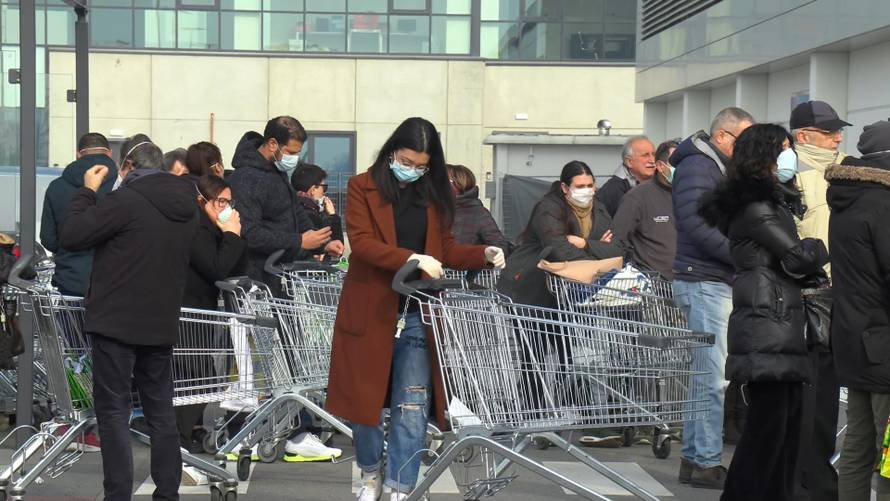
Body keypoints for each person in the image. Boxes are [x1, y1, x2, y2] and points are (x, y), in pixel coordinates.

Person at [325, 117, 505, 501]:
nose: (413, 170)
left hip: (417, 312)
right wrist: (412, 257)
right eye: (407, 161)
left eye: (422, 165)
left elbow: (446, 249)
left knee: (412, 404)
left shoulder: (435, 193)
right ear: (392, 152)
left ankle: (400, 488)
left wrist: (483, 254)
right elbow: (363, 243)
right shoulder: (362, 186)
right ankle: (371, 473)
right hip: (372, 309)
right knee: (366, 408)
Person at [59, 139, 197, 501]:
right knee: (160, 411)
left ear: (127, 167)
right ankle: (167, 492)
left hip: (116, 322)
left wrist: (88, 191)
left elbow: (72, 234)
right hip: (160, 321)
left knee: (114, 412)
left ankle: (117, 494)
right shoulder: (186, 205)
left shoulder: (125, 201)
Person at [699, 124, 828, 501]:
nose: (790, 155)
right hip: (767, 322)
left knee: (786, 427)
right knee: (767, 431)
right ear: (765, 155)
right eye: (784, 148)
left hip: (779, 318)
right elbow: (799, 257)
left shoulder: (769, 203)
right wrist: (818, 246)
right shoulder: (756, 207)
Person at [671, 106, 754, 489]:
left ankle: (695, 458)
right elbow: (696, 222)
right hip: (705, 280)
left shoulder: (709, 166)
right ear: (723, 137)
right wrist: (739, 255)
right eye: (743, 139)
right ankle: (704, 461)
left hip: (707, 278)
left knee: (703, 375)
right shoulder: (700, 167)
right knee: (711, 378)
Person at [826, 119, 890, 501]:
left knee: (858, 447)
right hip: (883, 340)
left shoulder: (846, 198)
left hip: (853, 336)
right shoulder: (883, 203)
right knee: (886, 451)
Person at [788, 100, 849, 501]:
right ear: (803, 136)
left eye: (837, 131)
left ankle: (819, 474)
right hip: (806, 296)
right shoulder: (788, 175)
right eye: (828, 132)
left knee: (828, 395)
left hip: (845, 294)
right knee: (804, 393)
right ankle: (802, 477)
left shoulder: (852, 168)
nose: (837, 137)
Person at [228, 116, 343, 296]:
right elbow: (249, 234)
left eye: (298, 153)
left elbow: (295, 211)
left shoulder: (277, 172)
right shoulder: (245, 179)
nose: (295, 159)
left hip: (282, 276)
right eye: (291, 153)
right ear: (272, 144)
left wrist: (323, 243)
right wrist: (299, 241)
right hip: (257, 280)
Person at [176, 174, 247, 460]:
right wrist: (230, 235)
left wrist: (232, 232)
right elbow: (217, 268)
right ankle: (177, 440)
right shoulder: (194, 228)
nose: (225, 207)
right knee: (194, 379)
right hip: (184, 312)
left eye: (229, 202)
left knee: (200, 378)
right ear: (201, 200)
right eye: (220, 201)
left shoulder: (213, 228)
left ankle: (181, 437)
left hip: (199, 311)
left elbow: (233, 266)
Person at [498, 160, 621, 307]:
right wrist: (599, 252)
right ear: (564, 187)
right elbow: (558, 250)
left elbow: (618, 250)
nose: (587, 191)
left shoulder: (598, 210)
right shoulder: (549, 209)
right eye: (580, 186)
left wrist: (584, 244)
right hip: (531, 287)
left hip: (573, 294)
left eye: (590, 185)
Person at [41, 132, 119, 297]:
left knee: (69, 323)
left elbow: (48, 239)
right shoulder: (122, 186)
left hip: (70, 280)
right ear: (110, 153)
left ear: (78, 154)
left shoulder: (56, 187)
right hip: (112, 283)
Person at [612, 139, 679, 279]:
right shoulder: (637, 197)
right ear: (660, 166)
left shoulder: (692, 193)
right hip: (657, 287)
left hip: (692, 282)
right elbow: (618, 240)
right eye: (677, 164)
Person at [447, 164, 511, 251]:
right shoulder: (433, 210)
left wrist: (475, 256)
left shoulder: (479, 214)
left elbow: (500, 247)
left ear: (460, 184)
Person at [596, 135, 656, 217]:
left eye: (653, 154)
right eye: (645, 155)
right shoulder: (611, 191)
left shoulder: (661, 185)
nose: (652, 160)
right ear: (629, 162)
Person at [291, 163, 344, 248]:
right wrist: (333, 216)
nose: (324, 192)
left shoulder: (289, 206)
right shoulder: (310, 215)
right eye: (324, 187)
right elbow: (337, 247)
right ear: (313, 189)